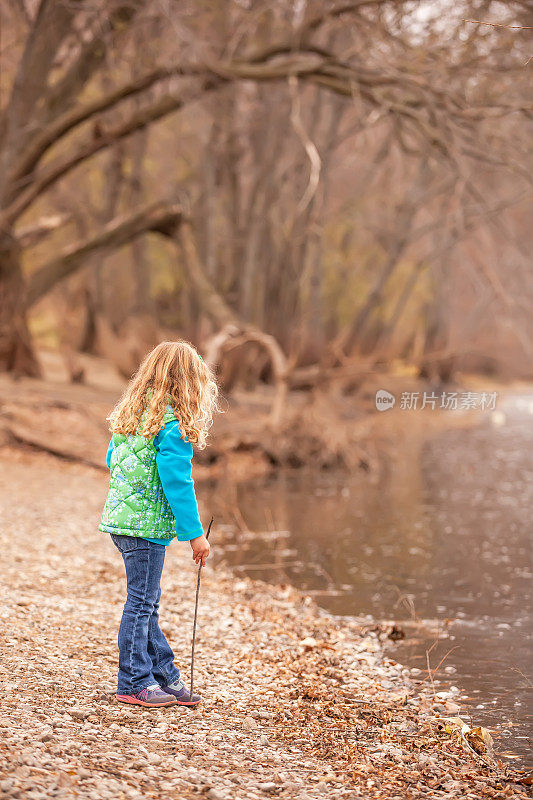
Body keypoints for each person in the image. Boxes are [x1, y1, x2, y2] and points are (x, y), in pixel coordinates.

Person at [98, 340, 219, 708]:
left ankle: (164, 675)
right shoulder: (172, 426)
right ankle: (134, 682)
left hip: (121, 522)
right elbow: (177, 482)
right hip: (144, 527)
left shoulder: (132, 416)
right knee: (141, 602)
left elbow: (112, 461)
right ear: (190, 383)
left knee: (147, 602)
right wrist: (195, 535)